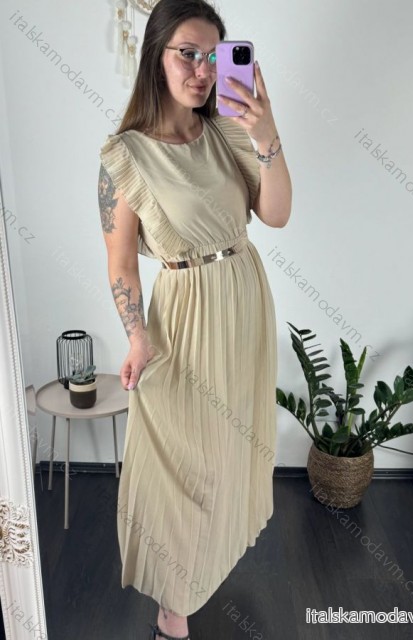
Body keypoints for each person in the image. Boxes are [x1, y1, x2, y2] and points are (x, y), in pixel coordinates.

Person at [97, 0, 291, 638]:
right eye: (188, 53)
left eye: (214, 55)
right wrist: (136, 337)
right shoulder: (125, 157)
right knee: (184, 462)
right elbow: (121, 264)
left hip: (244, 301)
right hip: (183, 317)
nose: (204, 70)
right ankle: (172, 608)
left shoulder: (228, 130)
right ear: (156, 54)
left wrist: (266, 134)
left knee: (231, 449)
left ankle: (210, 564)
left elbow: (277, 214)